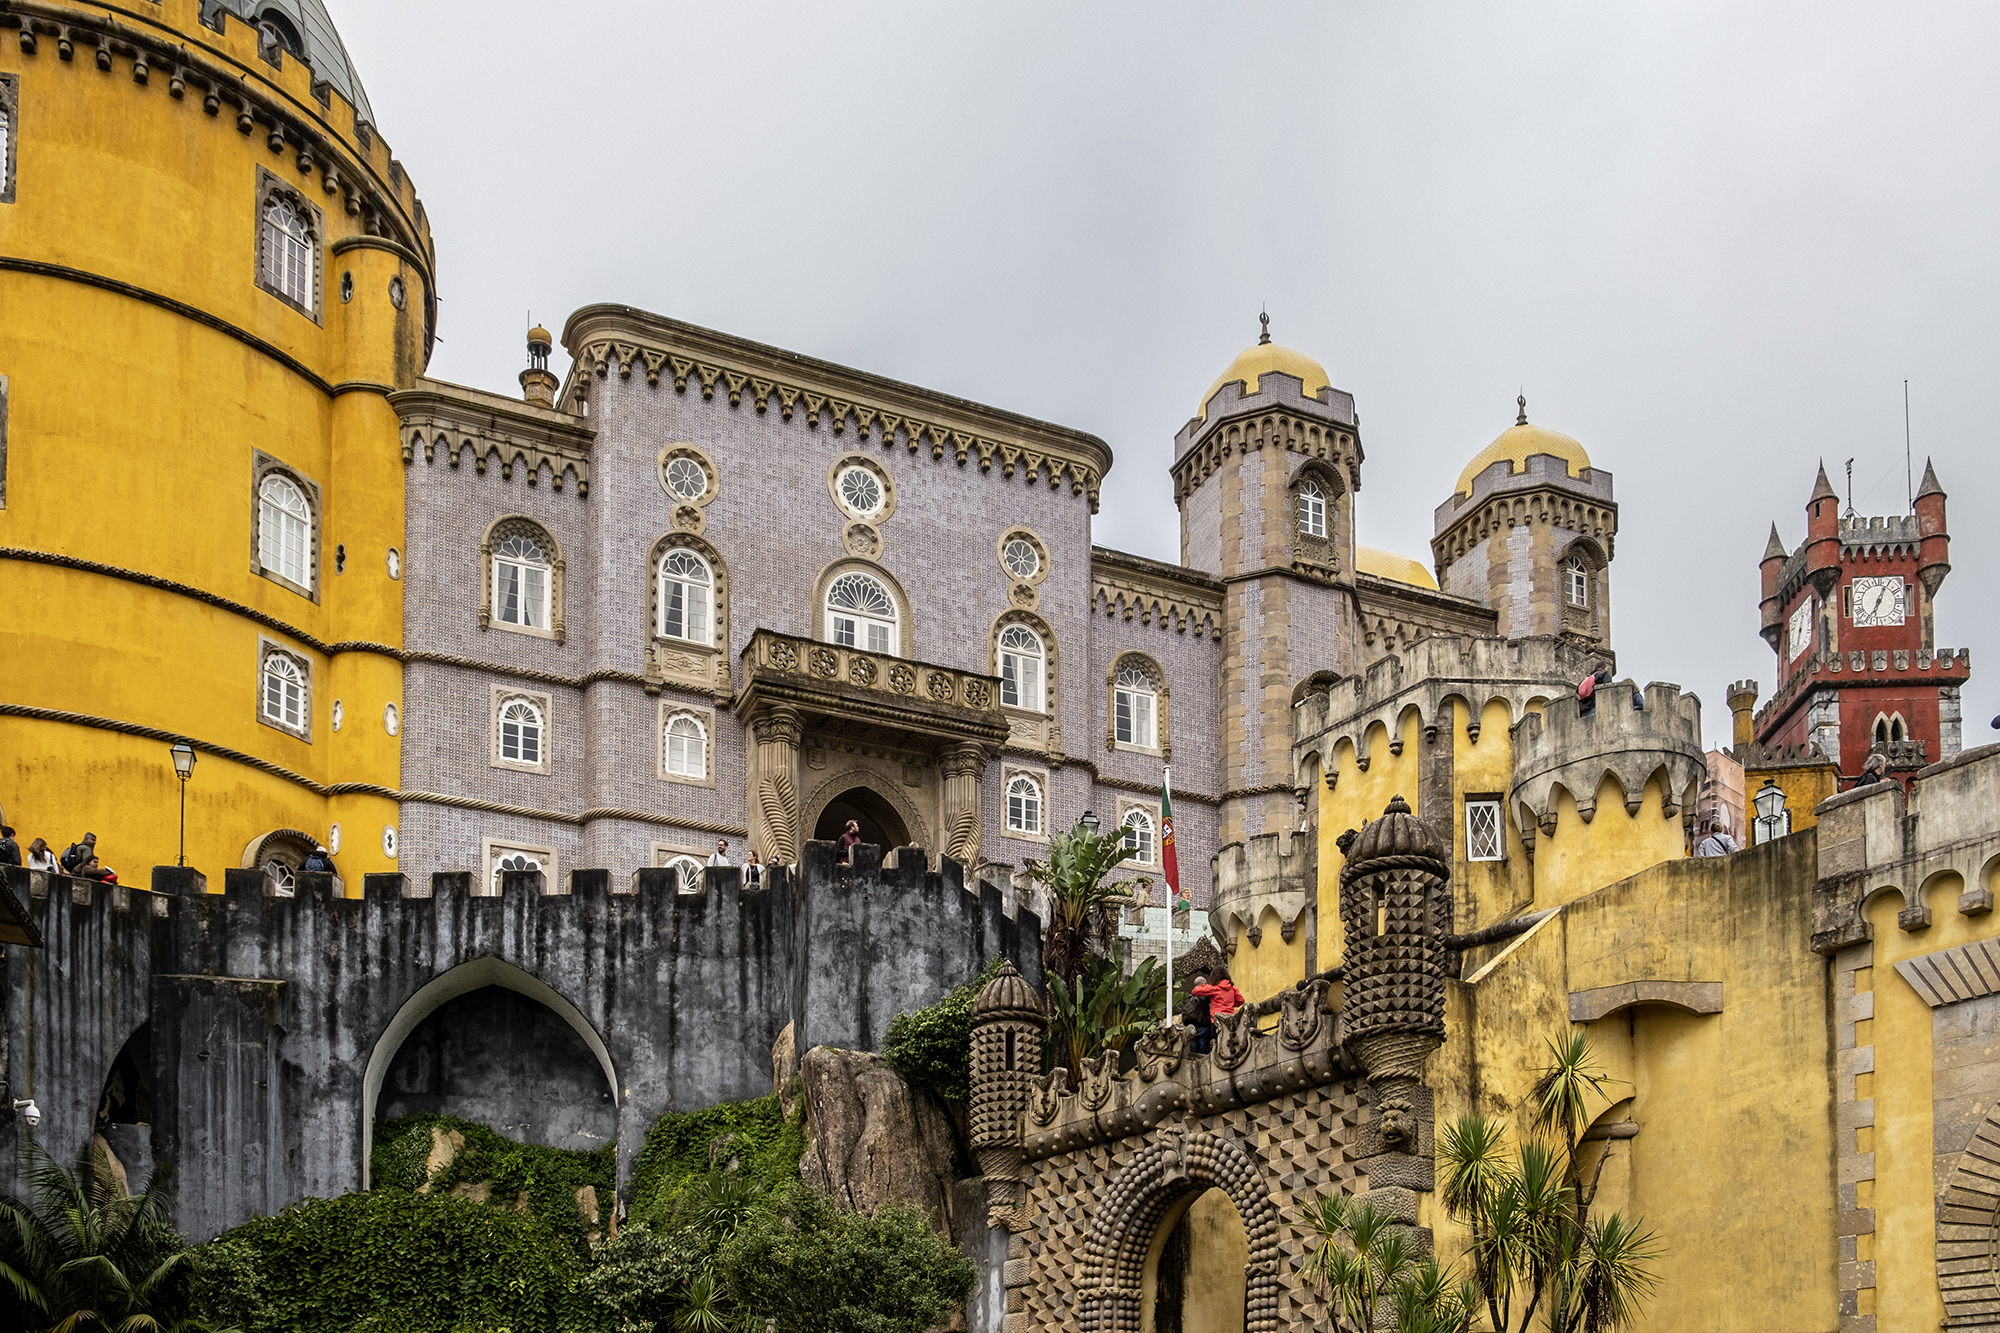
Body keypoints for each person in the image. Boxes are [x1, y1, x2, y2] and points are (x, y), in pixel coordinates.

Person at [1192, 967, 1245, 1056]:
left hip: (1216, 1022)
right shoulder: (1233, 989)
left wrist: (1206, 985)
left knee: (1215, 1046)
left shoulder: (1214, 988)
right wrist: (1231, 1004)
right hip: (1231, 1020)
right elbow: (1241, 1000)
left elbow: (1195, 991)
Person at [1181, 973, 1215, 1055]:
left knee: (1193, 1053)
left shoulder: (1189, 998)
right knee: (1203, 1054)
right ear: (1204, 984)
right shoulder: (1206, 997)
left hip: (1191, 1028)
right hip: (1204, 1027)